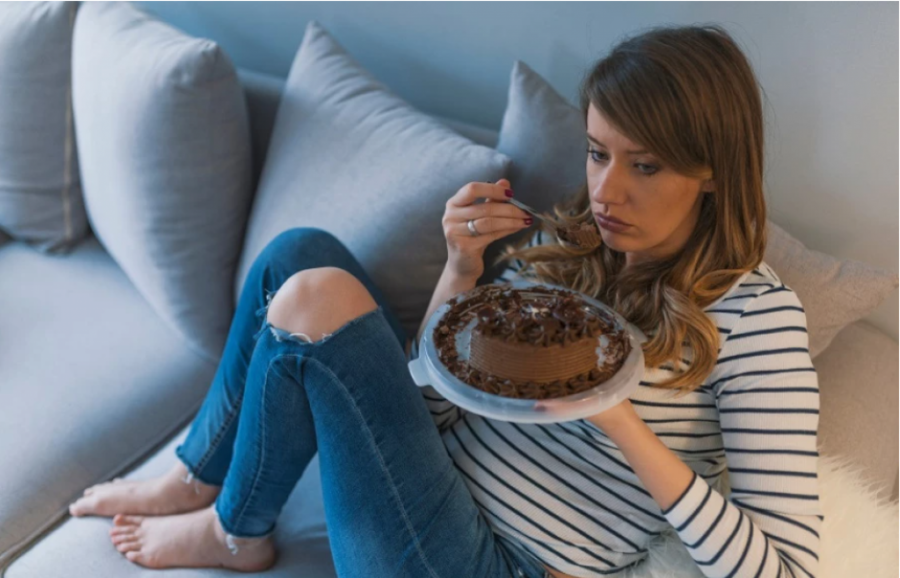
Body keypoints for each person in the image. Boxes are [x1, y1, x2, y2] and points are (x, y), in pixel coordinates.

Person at [69, 23, 821, 578]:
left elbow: (789, 571)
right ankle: (195, 477)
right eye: (597, 153)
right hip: (412, 487)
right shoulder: (564, 246)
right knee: (298, 256)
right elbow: (431, 411)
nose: (605, 191)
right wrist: (461, 272)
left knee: (318, 294)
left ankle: (236, 533)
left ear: (713, 171)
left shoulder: (760, 321)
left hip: (495, 562)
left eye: (645, 166)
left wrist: (620, 420)